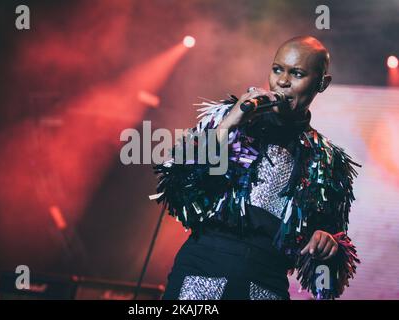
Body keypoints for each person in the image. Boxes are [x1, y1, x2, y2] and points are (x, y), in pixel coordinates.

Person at [152, 36, 360, 300]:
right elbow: (177, 189)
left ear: (322, 83)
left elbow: (327, 283)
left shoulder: (328, 161)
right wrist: (228, 126)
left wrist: (328, 246)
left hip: (265, 284)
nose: (283, 81)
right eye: (277, 69)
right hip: (198, 273)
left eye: (297, 73)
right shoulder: (228, 120)